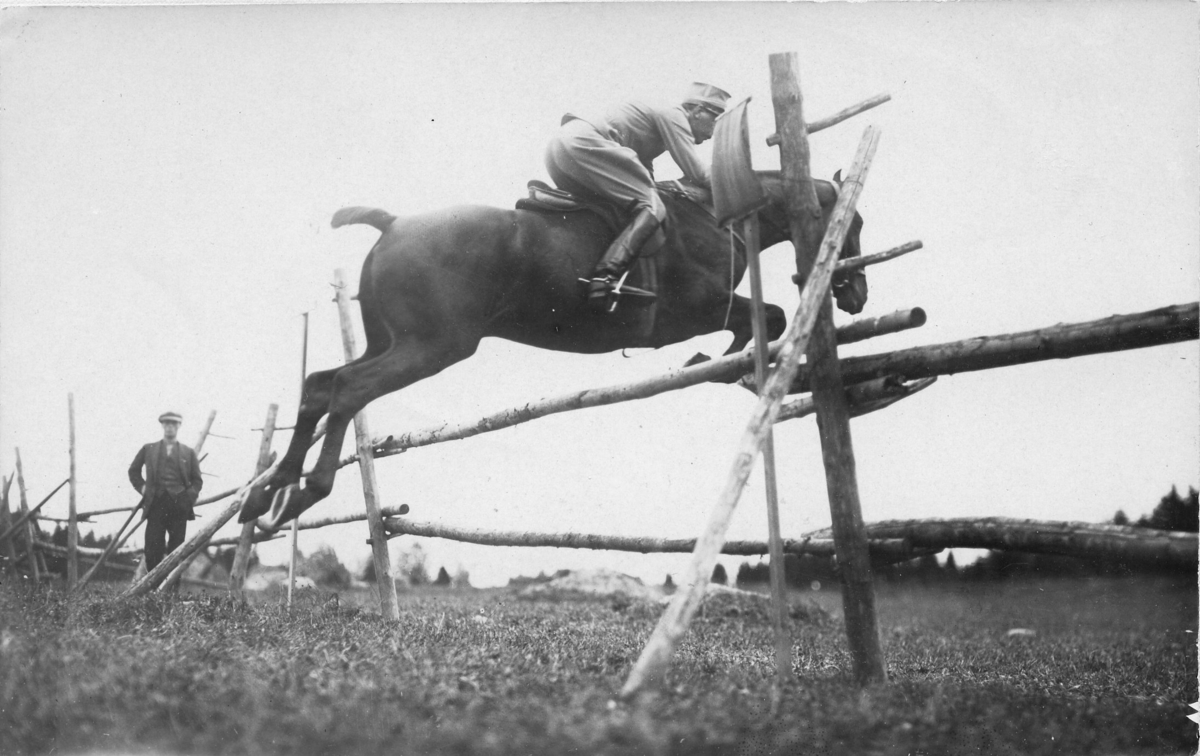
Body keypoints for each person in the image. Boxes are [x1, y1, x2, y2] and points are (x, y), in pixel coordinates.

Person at [545, 81, 731, 312]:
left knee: (622, 207)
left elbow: (644, 168)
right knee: (652, 208)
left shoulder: (656, 119)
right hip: (586, 144)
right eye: (714, 119)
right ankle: (605, 277)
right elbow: (697, 172)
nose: (713, 132)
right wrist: (733, 184)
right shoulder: (676, 116)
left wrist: (655, 188)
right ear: (697, 110)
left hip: (560, 148)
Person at [128, 411, 203, 572]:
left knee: (177, 550)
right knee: (152, 548)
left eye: (173, 424)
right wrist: (143, 488)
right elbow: (133, 471)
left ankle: (172, 586)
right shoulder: (149, 448)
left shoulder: (188, 452)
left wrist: (187, 498)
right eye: (167, 424)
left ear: (179, 426)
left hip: (179, 505)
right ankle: (153, 585)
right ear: (162, 425)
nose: (170, 427)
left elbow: (197, 481)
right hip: (156, 504)